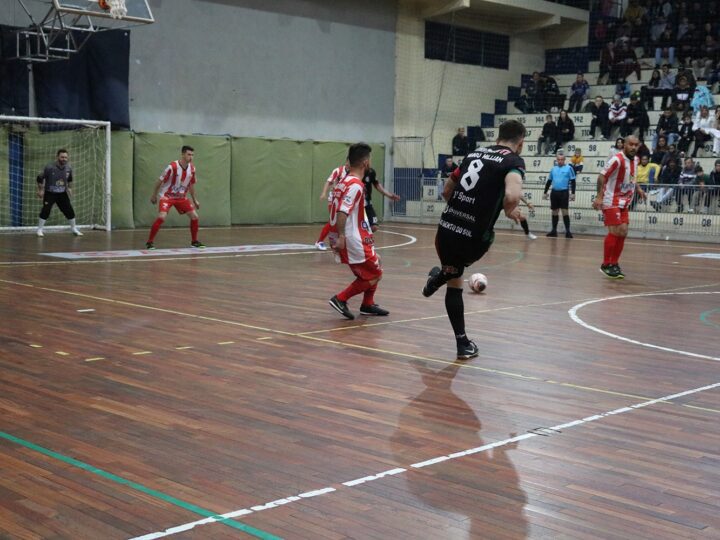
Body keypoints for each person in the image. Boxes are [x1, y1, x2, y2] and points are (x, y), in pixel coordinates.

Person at [421, 120, 525, 360]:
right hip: (474, 238)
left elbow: (446, 191)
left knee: (455, 282)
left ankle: (463, 343)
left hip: (445, 229)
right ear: (520, 143)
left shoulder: (472, 154)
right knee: (456, 270)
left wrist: (459, 211)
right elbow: (512, 193)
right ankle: (438, 277)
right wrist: (510, 210)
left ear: (498, 136)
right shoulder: (513, 162)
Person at [328, 143, 388, 320]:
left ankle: (367, 304)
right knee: (376, 274)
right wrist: (340, 237)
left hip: (357, 236)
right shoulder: (355, 185)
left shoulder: (343, 182)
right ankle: (340, 299)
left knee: (376, 264)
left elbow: (334, 208)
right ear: (365, 163)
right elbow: (342, 211)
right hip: (354, 239)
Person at [593, 135, 646, 279]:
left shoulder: (635, 160)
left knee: (623, 231)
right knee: (615, 231)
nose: (634, 147)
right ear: (624, 145)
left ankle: (614, 263)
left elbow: (632, 177)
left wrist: (639, 189)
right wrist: (599, 197)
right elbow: (601, 177)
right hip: (611, 199)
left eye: (636, 145)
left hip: (625, 200)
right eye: (631, 144)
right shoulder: (616, 159)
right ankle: (606, 264)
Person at [146, 146, 204, 250]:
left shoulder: (192, 169)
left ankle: (194, 241)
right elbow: (159, 181)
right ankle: (149, 242)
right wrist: (154, 195)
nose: (191, 157)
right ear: (182, 154)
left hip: (181, 197)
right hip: (167, 196)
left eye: (192, 155)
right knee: (162, 217)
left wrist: (195, 199)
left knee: (194, 216)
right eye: (188, 154)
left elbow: (191, 185)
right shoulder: (172, 167)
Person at [36, 149, 83, 237]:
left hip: (62, 193)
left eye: (65, 157)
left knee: (69, 210)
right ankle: (39, 229)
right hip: (50, 193)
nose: (64, 159)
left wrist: (69, 188)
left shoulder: (68, 168)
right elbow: (39, 178)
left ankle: (74, 229)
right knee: (46, 210)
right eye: (62, 157)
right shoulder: (49, 167)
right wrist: (41, 190)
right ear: (57, 157)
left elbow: (70, 180)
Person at [543, 151, 576, 238]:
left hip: (564, 192)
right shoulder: (553, 169)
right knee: (554, 212)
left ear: (564, 160)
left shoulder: (569, 168)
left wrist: (573, 193)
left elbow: (573, 181)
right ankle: (554, 230)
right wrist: (545, 192)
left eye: (562, 159)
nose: (560, 161)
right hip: (554, 192)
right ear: (556, 160)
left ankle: (568, 231)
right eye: (558, 159)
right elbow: (549, 181)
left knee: (565, 211)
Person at [316, 163, 348, 250]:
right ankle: (319, 241)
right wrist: (323, 193)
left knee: (342, 221)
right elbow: (328, 182)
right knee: (332, 221)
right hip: (334, 199)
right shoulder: (338, 170)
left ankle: (343, 242)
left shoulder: (353, 173)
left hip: (344, 200)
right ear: (347, 161)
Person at [361, 167, 400, 232]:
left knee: (374, 227)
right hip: (356, 204)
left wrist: (389, 195)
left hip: (367, 203)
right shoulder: (353, 172)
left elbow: (377, 185)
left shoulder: (371, 172)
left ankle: (363, 239)